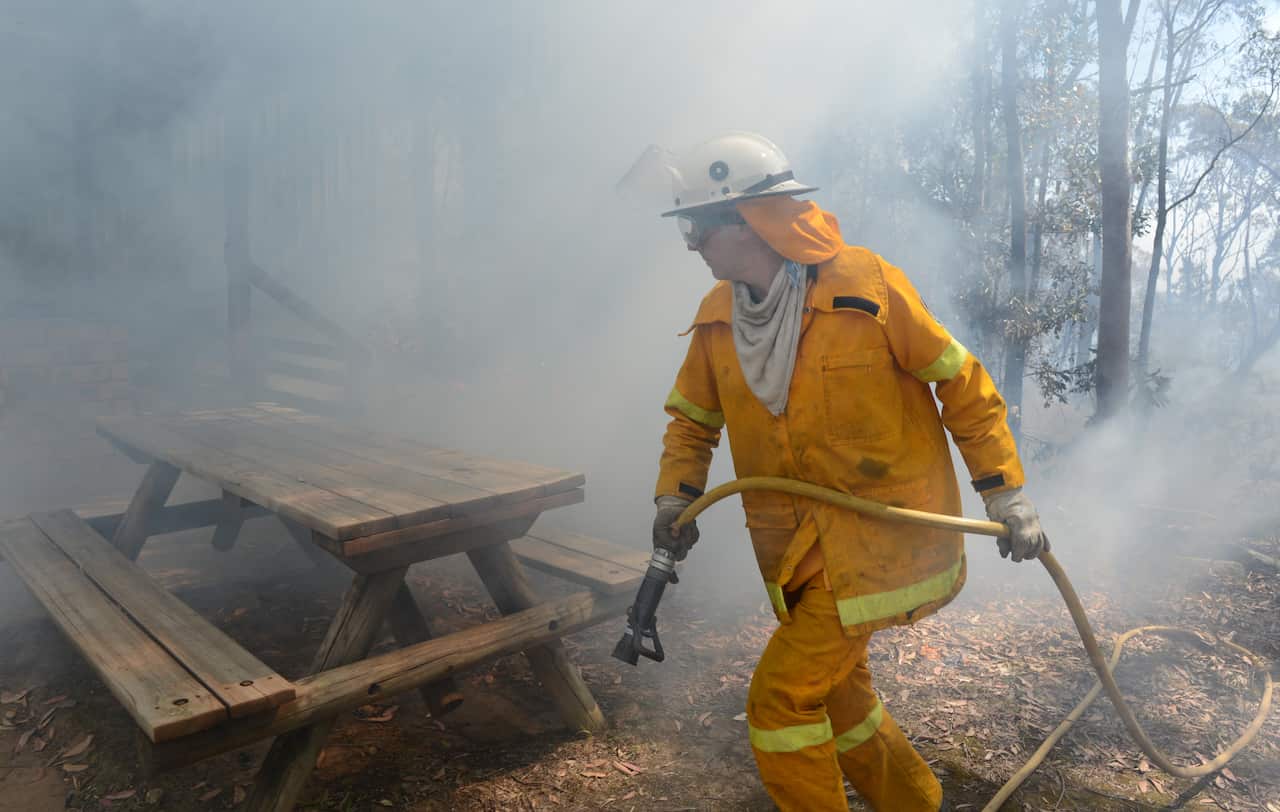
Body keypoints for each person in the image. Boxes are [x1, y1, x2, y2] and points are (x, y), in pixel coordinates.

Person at [651, 131, 1048, 811]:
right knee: (840, 694)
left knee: (779, 703)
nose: (691, 244)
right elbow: (692, 421)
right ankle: (915, 801)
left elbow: (962, 382)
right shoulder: (718, 318)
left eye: (698, 226)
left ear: (746, 221)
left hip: (882, 542)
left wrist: (1006, 495)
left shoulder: (866, 287)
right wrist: (673, 499)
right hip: (799, 555)